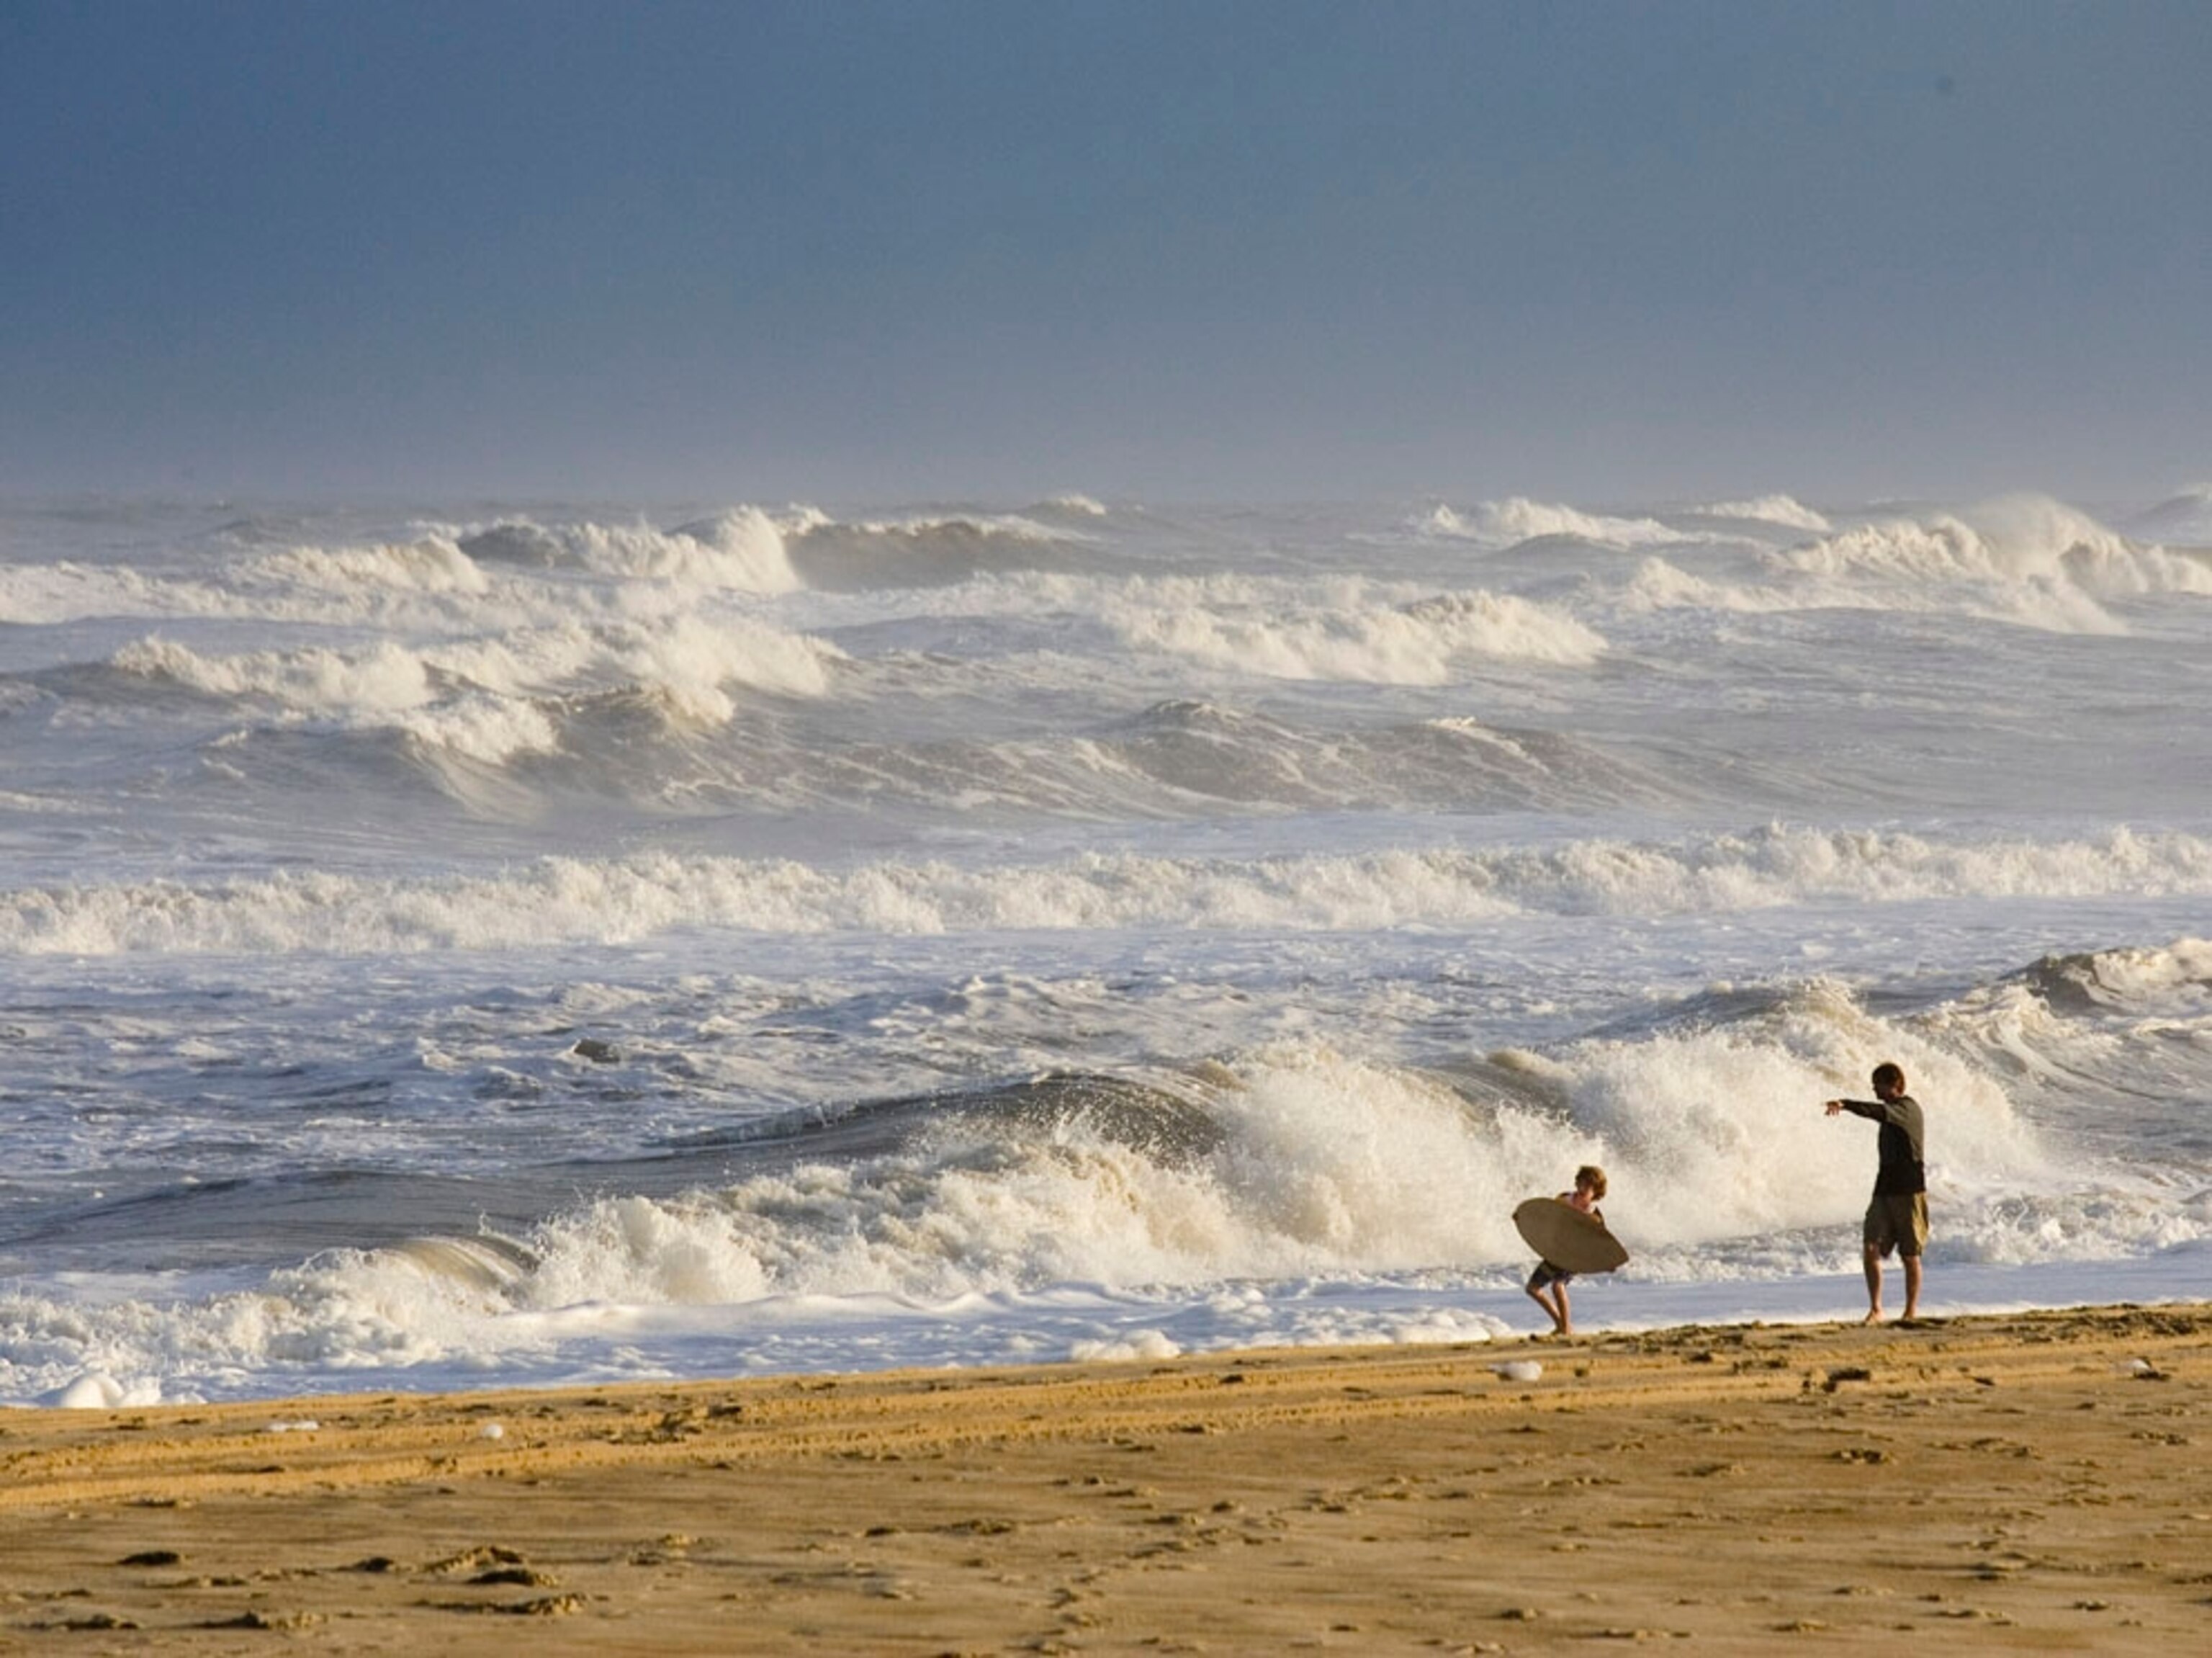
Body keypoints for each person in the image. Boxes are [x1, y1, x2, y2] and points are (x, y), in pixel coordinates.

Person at [1825, 1062, 1927, 1324]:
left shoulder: (1907, 1109)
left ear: (1895, 1085)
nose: (1874, 1090)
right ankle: (1876, 1308)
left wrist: (1845, 1104)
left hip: (1909, 1191)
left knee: (1909, 1254)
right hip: (1884, 1190)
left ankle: (1910, 1312)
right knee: (1870, 1246)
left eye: (1878, 1085)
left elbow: (1876, 1112)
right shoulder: (1892, 1111)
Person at [1524, 1164, 1606, 1336]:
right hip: (1556, 1252)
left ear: (1596, 1191)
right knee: (1532, 1288)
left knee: (1557, 1285)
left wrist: (1608, 1262)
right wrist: (1524, 1219)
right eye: (1581, 1183)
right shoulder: (1563, 1200)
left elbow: (1602, 1244)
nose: (1582, 1189)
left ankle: (1566, 1327)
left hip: (1575, 1256)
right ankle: (1561, 1324)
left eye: (1588, 1186)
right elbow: (1547, 1217)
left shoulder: (1595, 1216)